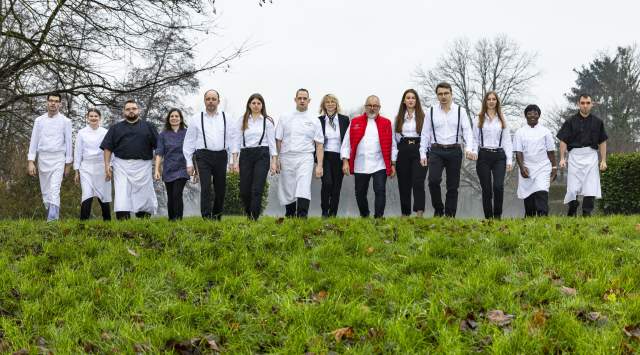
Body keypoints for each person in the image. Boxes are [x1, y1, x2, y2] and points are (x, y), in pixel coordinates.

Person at [419, 82, 476, 217]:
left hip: (454, 150)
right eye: (440, 94)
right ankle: (438, 209)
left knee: (453, 185)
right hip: (436, 150)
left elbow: (467, 131)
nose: (443, 96)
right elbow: (425, 134)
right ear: (437, 96)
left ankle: (450, 215)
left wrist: (469, 148)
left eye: (446, 93)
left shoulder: (460, 111)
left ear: (451, 94)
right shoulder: (431, 111)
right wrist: (422, 153)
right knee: (433, 181)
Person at [183, 89, 237, 220]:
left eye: (213, 99)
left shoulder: (227, 118)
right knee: (205, 187)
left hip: (221, 155)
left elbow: (233, 139)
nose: (211, 101)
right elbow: (189, 142)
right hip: (203, 156)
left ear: (218, 101)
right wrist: (189, 163)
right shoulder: (196, 118)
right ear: (204, 101)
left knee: (220, 188)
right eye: (208, 99)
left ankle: (217, 215)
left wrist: (232, 161)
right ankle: (206, 217)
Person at [100, 99, 158, 220]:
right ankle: (123, 221)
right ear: (123, 112)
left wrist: (158, 167)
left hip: (144, 166)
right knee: (122, 193)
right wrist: (107, 166)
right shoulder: (115, 128)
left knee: (144, 194)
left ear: (139, 110)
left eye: (134, 109)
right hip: (121, 166)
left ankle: (143, 220)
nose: (131, 111)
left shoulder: (149, 127)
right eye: (128, 109)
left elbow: (159, 148)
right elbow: (107, 148)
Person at [341, 95, 396, 218]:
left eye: (375, 106)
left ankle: (378, 218)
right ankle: (365, 216)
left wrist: (393, 164)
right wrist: (345, 161)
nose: (372, 108)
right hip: (360, 163)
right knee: (360, 193)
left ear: (379, 108)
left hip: (380, 163)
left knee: (380, 190)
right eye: (369, 105)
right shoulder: (355, 122)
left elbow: (392, 145)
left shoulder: (386, 123)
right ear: (365, 107)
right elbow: (346, 144)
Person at [275, 88, 324, 218]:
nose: (302, 101)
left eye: (305, 98)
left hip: (305, 156)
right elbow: (278, 140)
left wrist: (319, 165)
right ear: (295, 99)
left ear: (309, 101)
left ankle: (302, 216)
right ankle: (290, 215)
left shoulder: (314, 120)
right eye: (300, 98)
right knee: (288, 186)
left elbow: (319, 144)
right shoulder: (285, 117)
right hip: (286, 156)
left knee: (303, 184)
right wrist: (276, 159)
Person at [557, 94, 608, 217]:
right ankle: (572, 209)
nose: (585, 105)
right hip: (575, 156)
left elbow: (602, 141)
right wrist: (562, 158)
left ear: (592, 104)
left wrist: (603, 160)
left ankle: (587, 213)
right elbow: (563, 140)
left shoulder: (598, 122)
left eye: (588, 103)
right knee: (573, 188)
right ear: (578, 104)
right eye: (583, 103)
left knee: (591, 186)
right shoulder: (570, 122)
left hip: (591, 156)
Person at [27, 93, 73, 221]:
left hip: (58, 158)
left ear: (60, 104)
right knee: (46, 192)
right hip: (43, 158)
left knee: (54, 189)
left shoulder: (66, 121)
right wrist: (31, 161)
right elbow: (34, 141)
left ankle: (53, 220)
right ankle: (49, 214)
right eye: (51, 101)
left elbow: (69, 143)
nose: (53, 103)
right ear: (47, 102)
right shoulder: (39, 121)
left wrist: (68, 164)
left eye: (56, 101)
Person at [235, 94, 278, 220]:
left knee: (257, 188)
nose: (256, 105)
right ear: (249, 104)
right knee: (244, 190)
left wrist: (274, 162)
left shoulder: (267, 121)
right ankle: (249, 214)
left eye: (259, 103)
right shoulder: (242, 120)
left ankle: (254, 218)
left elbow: (272, 143)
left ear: (262, 105)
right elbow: (236, 141)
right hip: (245, 155)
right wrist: (234, 161)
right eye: (253, 103)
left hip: (262, 155)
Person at [472, 91, 513, 219]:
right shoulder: (478, 118)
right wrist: (473, 151)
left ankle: (497, 216)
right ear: (485, 101)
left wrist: (509, 160)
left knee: (498, 186)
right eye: (488, 99)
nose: (491, 101)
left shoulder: (502, 118)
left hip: (499, 156)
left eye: (493, 99)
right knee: (486, 188)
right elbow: (474, 139)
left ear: (497, 101)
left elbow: (507, 140)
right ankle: (488, 218)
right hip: (483, 155)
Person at [513, 104, 557, 217]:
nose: (532, 115)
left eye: (535, 113)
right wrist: (522, 168)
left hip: (543, 167)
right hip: (527, 168)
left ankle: (543, 217)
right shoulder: (519, 132)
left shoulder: (546, 131)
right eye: (529, 113)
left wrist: (554, 167)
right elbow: (518, 152)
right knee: (529, 197)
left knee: (542, 191)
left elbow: (551, 151)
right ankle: (530, 218)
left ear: (539, 116)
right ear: (525, 116)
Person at [393, 89, 427, 217]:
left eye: (413, 98)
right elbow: (395, 138)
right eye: (408, 98)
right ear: (404, 101)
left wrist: (424, 152)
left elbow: (427, 136)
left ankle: (419, 211)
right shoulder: (398, 118)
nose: (411, 100)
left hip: (419, 149)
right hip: (403, 149)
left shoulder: (424, 117)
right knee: (404, 182)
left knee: (418, 181)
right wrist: (394, 158)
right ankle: (405, 213)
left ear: (416, 101)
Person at [74, 108, 112, 221]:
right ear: (87, 118)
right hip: (86, 168)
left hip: (102, 167)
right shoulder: (81, 133)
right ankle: (83, 223)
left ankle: (108, 222)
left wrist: (109, 166)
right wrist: (76, 171)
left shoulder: (105, 132)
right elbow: (78, 152)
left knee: (104, 196)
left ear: (100, 118)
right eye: (91, 116)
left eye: (96, 116)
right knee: (86, 195)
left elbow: (110, 150)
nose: (93, 118)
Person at [154, 108, 189, 221]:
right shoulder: (163, 135)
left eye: (176, 116)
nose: (174, 118)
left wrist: (195, 169)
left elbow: (193, 152)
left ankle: (178, 219)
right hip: (168, 169)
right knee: (170, 195)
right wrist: (157, 170)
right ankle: (171, 219)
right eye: (172, 116)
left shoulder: (187, 133)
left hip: (182, 168)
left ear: (181, 119)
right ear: (168, 119)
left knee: (177, 193)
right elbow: (159, 153)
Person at [318, 94, 349, 217]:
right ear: (323, 105)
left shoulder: (344, 120)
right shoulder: (319, 121)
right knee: (327, 183)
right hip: (324, 156)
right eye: (327, 102)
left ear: (336, 104)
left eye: (332, 101)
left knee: (336, 187)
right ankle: (324, 211)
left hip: (339, 156)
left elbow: (347, 141)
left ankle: (333, 214)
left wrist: (346, 160)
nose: (330, 104)